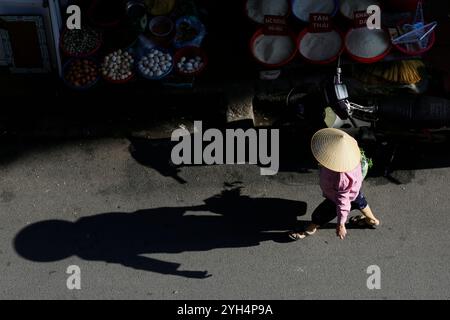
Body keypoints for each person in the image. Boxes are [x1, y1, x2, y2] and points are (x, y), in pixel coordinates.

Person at [289, 128, 380, 241]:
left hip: (337, 196)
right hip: (353, 190)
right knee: (359, 200)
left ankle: (311, 228)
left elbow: (343, 203)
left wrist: (341, 225)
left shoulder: (341, 178)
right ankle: (372, 220)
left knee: (320, 214)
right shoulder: (350, 147)